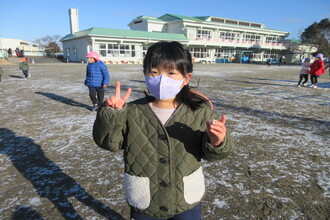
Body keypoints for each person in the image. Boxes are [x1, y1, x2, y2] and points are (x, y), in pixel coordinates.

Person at [93, 41, 234, 220]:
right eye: (154, 72)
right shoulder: (131, 111)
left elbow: (213, 155)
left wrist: (217, 142)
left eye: (171, 73)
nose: (161, 79)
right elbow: (108, 143)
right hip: (146, 199)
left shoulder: (200, 112)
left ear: (186, 78)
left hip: (185, 198)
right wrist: (112, 115)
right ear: (145, 74)